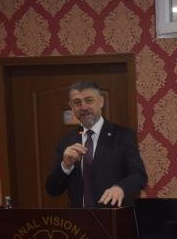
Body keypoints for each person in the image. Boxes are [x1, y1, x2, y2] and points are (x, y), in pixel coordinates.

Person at [45, 80, 147, 208]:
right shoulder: (66, 141)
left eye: (89, 100)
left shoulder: (123, 136)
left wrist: (121, 188)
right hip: (78, 219)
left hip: (113, 216)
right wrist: (65, 166)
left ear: (101, 101)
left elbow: (139, 176)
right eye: (77, 102)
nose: (83, 107)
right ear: (71, 106)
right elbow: (52, 189)